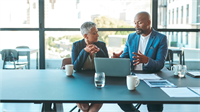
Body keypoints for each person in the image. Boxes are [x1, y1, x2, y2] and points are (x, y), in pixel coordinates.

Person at [113, 11, 168, 112]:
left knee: (155, 106)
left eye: (139, 23)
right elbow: (125, 57)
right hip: (133, 76)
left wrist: (147, 60)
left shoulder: (161, 38)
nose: (136, 26)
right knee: (120, 99)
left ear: (148, 22)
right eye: (135, 23)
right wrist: (118, 59)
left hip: (152, 77)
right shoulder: (131, 37)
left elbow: (160, 64)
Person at [72, 21, 109, 112]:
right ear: (85, 36)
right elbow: (76, 67)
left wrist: (99, 51)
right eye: (94, 33)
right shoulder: (76, 45)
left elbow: (107, 64)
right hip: (80, 82)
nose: (98, 35)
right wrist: (84, 51)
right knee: (84, 107)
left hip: (98, 81)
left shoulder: (102, 45)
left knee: (92, 109)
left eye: (97, 32)